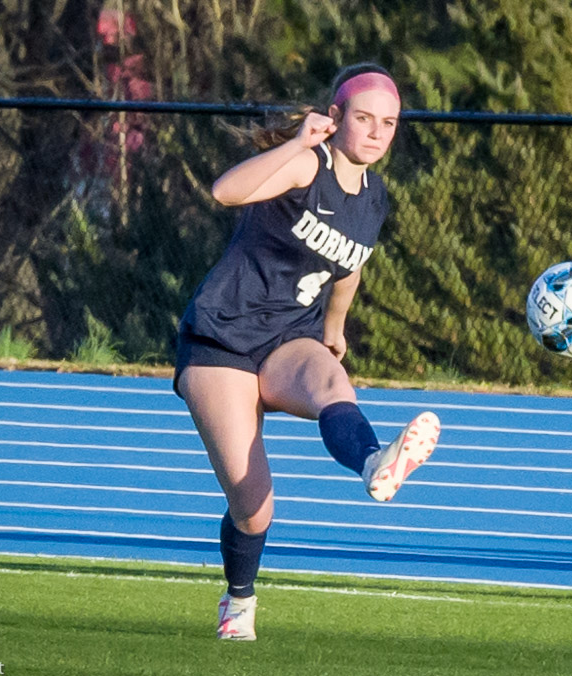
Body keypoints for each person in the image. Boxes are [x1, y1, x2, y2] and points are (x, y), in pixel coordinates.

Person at [172, 63, 441, 641]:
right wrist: (297, 142)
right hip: (222, 340)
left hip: (291, 337)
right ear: (336, 117)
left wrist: (336, 328)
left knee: (332, 385)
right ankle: (238, 601)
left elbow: (350, 267)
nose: (375, 133)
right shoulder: (305, 164)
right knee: (255, 506)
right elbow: (226, 191)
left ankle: (374, 463)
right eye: (364, 119)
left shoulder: (375, 198)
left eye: (388, 123)